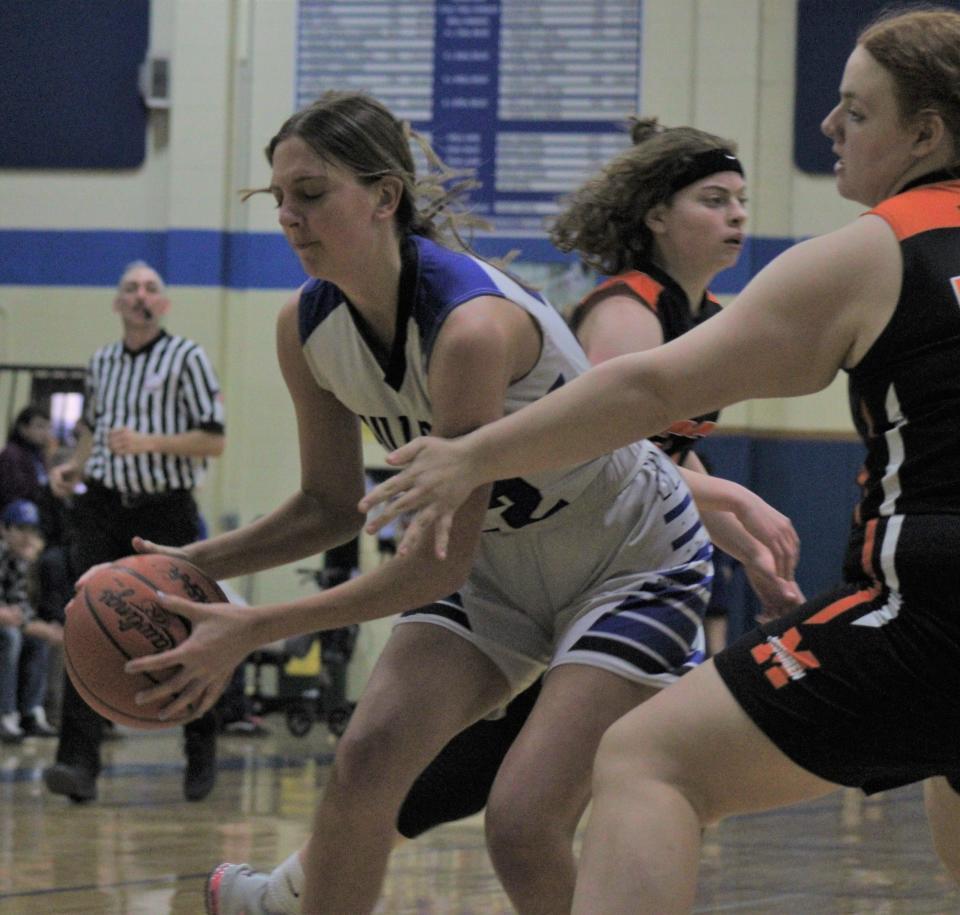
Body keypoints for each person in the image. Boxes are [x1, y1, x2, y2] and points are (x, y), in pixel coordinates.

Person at [360, 7, 960, 911]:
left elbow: (641, 396)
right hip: (594, 564)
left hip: (926, 610)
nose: (829, 126)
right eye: (715, 200)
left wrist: (468, 453)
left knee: (647, 758)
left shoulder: (878, 250)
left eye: (856, 110)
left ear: (926, 132)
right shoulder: (633, 300)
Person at [121, 90, 743, 915]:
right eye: (280, 199)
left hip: (627, 562)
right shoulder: (303, 329)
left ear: (384, 196)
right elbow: (328, 505)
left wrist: (255, 625)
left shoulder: (470, 327)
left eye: (311, 194)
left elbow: (431, 562)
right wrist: (185, 565)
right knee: (366, 760)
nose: (290, 218)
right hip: (493, 566)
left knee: (522, 822)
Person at [395, 118, 803, 842]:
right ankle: (311, 871)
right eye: (713, 199)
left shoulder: (704, 315)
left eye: (740, 200)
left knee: (580, 785)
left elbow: (674, 460)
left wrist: (746, 548)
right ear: (657, 218)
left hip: (625, 557)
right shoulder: (626, 312)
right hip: (565, 553)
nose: (737, 215)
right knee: (479, 789)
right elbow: (611, 453)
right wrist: (739, 501)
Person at [42, 260, 226, 803]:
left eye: (151, 288)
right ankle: (78, 765)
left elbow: (213, 440)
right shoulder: (101, 361)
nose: (141, 295)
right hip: (101, 506)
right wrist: (77, 465)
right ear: (118, 303)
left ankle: (201, 745)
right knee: (85, 620)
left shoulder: (186, 358)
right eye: (131, 288)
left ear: (163, 304)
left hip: (164, 509)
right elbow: (93, 427)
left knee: (188, 627)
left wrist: (149, 443)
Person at [0, 499, 62, 742]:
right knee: (10, 637)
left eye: (32, 530)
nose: (28, 537)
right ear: (4, 529)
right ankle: (5, 716)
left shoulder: (18, 560)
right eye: (21, 529)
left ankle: (31, 713)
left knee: (38, 639)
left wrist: (42, 628)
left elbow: (19, 607)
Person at [0, 405, 53, 512]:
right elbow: (15, 492)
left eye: (48, 427)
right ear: (23, 429)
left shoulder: (38, 455)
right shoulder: (11, 454)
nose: (45, 433)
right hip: (17, 514)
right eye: (40, 426)